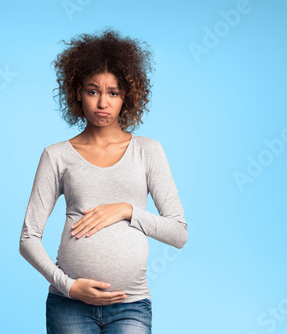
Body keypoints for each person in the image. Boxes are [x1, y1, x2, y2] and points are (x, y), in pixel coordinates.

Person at [19, 28, 189, 334]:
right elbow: (28, 238)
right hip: (68, 306)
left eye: (113, 92)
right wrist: (68, 287)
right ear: (77, 93)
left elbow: (179, 233)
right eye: (93, 90)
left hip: (131, 305)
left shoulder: (148, 151)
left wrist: (126, 210)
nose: (102, 102)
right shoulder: (56, 155)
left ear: (128, 96)